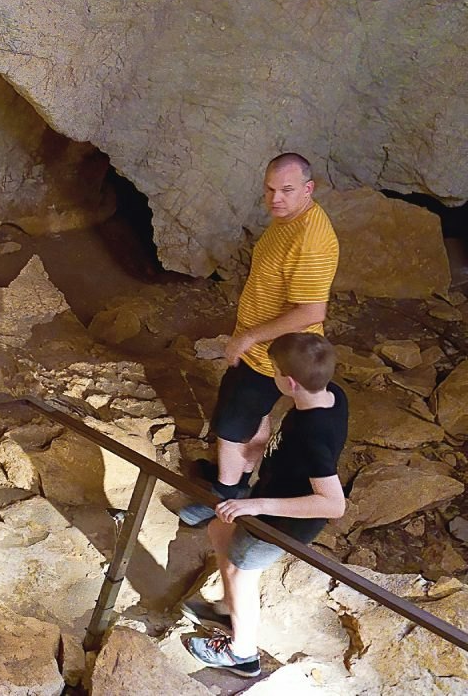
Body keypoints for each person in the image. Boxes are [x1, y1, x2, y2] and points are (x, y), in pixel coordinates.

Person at [179, 154, 339, 526]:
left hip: (271, 355)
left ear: (308, 189)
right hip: (271, 351)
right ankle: (241, 480)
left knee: (232, 428)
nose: (275, 199)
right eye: (269, 189)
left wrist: (248, 338)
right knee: (254, 414)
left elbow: (312, 311)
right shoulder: (290, 220)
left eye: (286, 190)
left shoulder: (310, 238)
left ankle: (223, 496)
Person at [184, 334, 347, 678]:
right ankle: (231, 611)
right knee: (218, 529)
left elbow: (333, 504)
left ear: (288, 382)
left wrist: (255, 504)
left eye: (273, 370)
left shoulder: (313, 431)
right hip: (272, 501)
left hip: (279, 521)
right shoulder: (333, 397)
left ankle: (242, 654)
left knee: (240, 573)